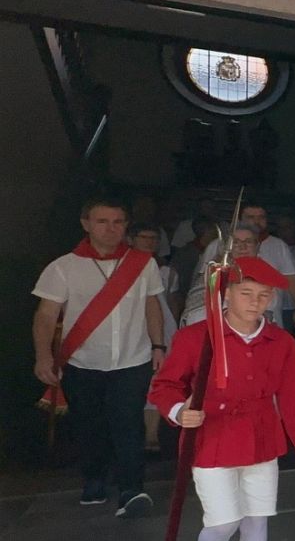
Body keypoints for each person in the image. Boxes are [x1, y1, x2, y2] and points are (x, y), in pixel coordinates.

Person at [149, 256, 295, 541]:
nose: (255, 302)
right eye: (246, 293)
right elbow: (164, 386)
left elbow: (293, 394)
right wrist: (179, 411)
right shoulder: (197, 338)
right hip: (212, 437)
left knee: (257, 519)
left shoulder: (281, 342)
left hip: (261, 437)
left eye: (264, 295)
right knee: (224, 521)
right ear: (225, 294)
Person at [31, 199, 166, 516]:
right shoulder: (63, 267)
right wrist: (43, 356)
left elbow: (151, 305)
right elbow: (46, 315)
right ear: (86, 224)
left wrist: (158, 345)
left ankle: (132, 489)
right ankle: (94, 478)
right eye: (102, 221)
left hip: (132, 360)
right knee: (90, 426)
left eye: (118, 222)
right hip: (83, 363)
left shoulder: (143, 263)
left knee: (129, 425)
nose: (111, 228)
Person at [198, 203, 295, 328]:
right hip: (220, 327)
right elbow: (202, 284)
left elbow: (290, 279)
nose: (256, 221)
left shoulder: (278, 245)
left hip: (268, 325)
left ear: (257, 246)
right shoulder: (216, 246)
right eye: (250, 217)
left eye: (261, 217)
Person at [131, 224, 180, 451]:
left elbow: (172, 303)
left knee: (156, 381)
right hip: (131, 330)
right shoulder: (120, 267)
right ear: (132, 239)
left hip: (162, 331)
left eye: (154, 238)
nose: (149, 242)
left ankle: (151, 435)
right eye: (144, 237)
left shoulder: (167, 272)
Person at [181, 226, 260, 327]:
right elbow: (195, 314)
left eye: (248, 242)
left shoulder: (265, 274)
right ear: (226, 247)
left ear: (257, 246)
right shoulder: (213, 273)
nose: (242, 247)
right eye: (235, 242)